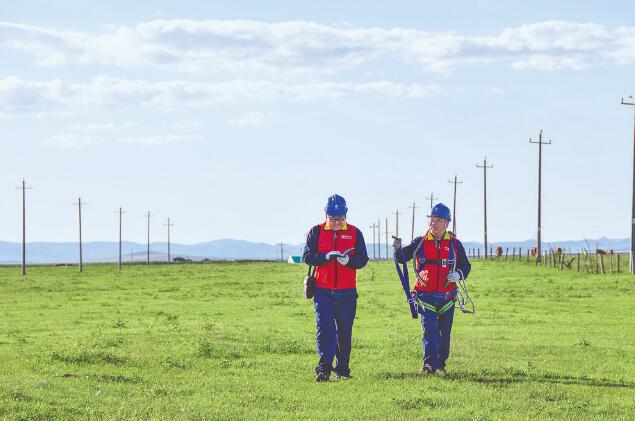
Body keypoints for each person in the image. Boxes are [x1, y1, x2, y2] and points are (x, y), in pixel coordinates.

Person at [393, 203, 471, 375]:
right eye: (432, 220)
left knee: (444, 335)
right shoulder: (419, 243)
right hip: (425, 295)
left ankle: (441, 365)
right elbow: (401, 257)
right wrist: (397, 248)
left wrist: (459, 274)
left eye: (438, 221)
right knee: (429, 331)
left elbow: (466, 267)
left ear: (447, 223)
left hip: (447, 297)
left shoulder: (455, 245)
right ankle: (428, 366)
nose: (433, 224)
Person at [303, 194, 369, 382]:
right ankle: (323, 368)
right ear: (326, 215)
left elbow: (362, 260)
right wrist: (325, 257)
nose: (337, 223)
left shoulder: (355, 233)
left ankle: (342, 369)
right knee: (324, 329)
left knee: (344, 332)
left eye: (341, 219)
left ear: (346, 215)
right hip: (322, 291)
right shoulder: (315, 232)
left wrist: (348, 261)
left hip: (347, 292)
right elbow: (307, 256)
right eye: (333, 219)